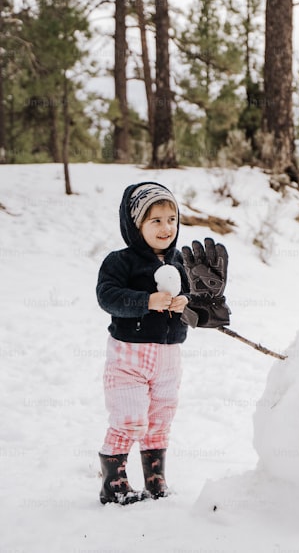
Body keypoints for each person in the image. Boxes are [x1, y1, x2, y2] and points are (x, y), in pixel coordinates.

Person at [94, 182, 192, 505]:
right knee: (130, 416)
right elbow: (107, 296)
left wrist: (185, 304)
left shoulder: (179, 264)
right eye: (156, 221)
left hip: (168, 357)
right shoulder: (120, 262)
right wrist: (146, 301)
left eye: (171, 219)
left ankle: (155, 476)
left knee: (161, 415)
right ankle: (114, 481)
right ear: (136, 226)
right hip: (129, 357)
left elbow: (193, 302)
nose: (166, 228)